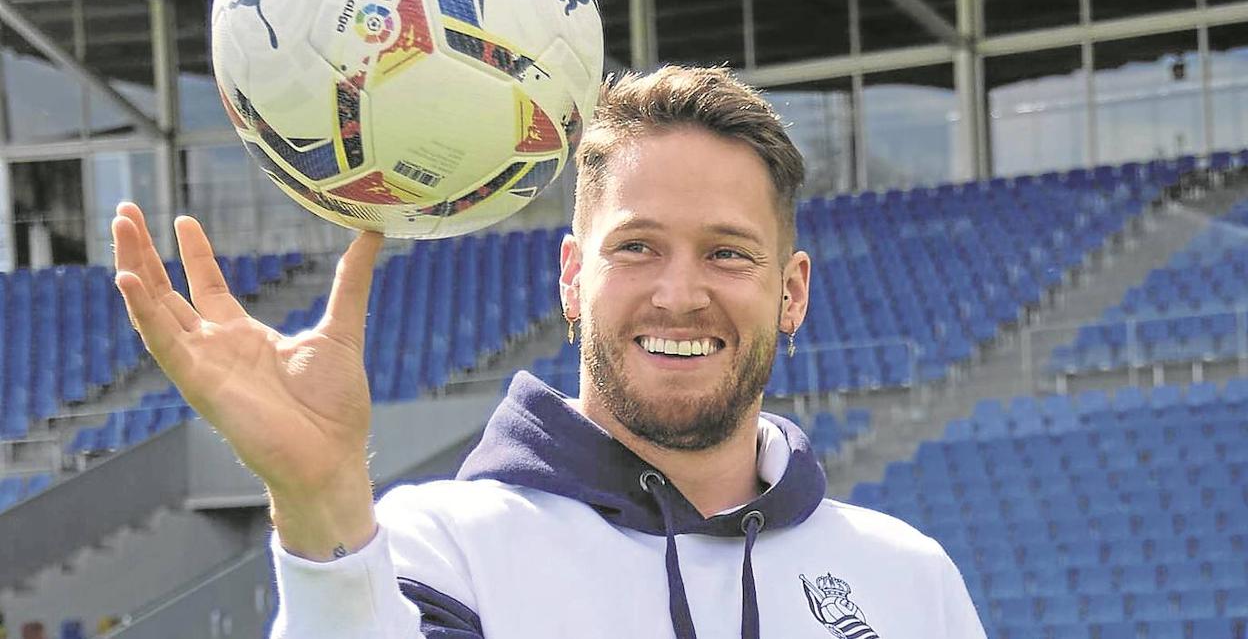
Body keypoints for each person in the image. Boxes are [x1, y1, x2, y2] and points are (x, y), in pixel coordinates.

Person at [112, 66, 986, 638]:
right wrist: (320, 502)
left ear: (791, 290)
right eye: (637, 246)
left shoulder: (909, 579)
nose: (679, 293)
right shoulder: (439, 549)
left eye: (727, 252)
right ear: (572, 276)